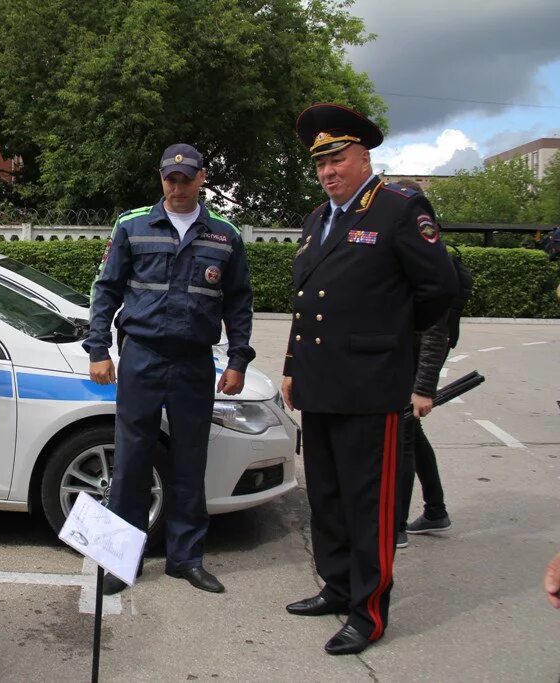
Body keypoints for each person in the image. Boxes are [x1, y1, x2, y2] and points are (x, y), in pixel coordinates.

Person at [281, 104, 458, 655]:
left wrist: (392, 343)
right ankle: (336, 587)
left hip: (370, 384)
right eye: (321, 163)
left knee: (369, 503)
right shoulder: (316, 220)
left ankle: (369, 610)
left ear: (364, 156)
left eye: (338, 158)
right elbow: (306, 302)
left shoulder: (399, 209)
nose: (329, 171)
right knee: (327, 498)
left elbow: (442, 290)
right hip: (320, 383)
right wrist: (291, 364)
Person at [84, 143, 256, 595]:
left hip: (194, 361)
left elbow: (239, 304)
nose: (177, 187)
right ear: (161, 178)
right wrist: (98, 349)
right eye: (169, 179)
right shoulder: (133, 225)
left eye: (186, 178)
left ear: (202, 178)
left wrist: (238, 360)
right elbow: (106, 291)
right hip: (141, 356)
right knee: (131, 462)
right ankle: (121, 562)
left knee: (189, 462)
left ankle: (186, 559)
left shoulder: (225, 235)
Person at [392, 179, 452, 548]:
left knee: (404, 440)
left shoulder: (427, 252)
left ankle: (396, 525)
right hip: (400, 358)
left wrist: (422, 387)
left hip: (413, 363)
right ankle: (435, 509)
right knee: (412, 434)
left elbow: (435, 330)